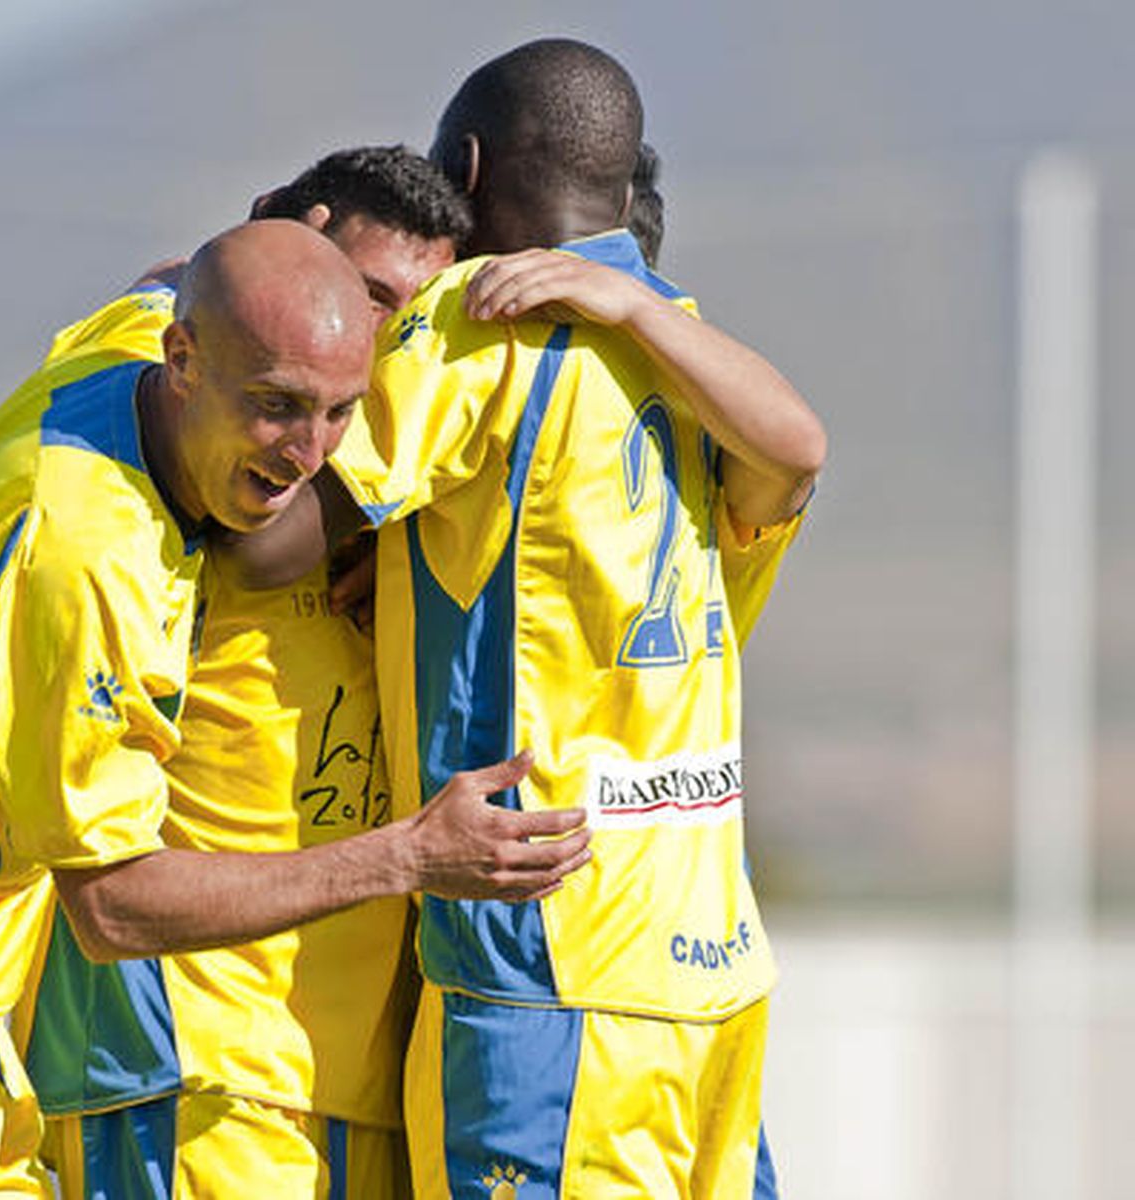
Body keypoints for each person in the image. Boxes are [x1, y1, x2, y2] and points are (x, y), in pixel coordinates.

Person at [0, 219, 591, 1198]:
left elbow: (163, 286)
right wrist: (407, 856)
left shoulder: (119, 353)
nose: (308, 453)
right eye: (277, 407)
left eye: (338, 412)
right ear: (182, 360)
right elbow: (110, 903)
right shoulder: (90, 553)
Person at [314, 40, 826, 1198]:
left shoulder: (476, 323)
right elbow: (797, 457)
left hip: (540, 955)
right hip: (707, 965)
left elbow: (268, 488)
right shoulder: (699, 356)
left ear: (470, 165)